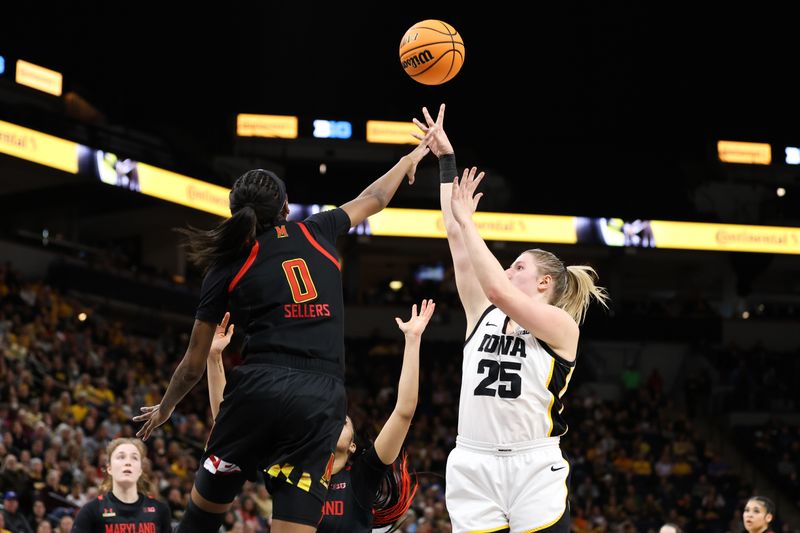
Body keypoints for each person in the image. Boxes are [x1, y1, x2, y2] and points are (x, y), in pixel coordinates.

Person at [133, 133, 435, 533]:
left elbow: (192, 364)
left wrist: (167, 407)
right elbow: (375, 197)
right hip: (320, 399)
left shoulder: (226, 264)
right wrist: (406, 162)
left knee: (200, 521)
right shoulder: (318, 230)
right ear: (286, 207)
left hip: (259, 386)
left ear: (236, 213)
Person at [413, 104, 609, 533]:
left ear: (544, 285)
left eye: (518, 266)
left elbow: (496, 286)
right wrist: (447, 161)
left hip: (533, 464)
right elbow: (455, 236)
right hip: (472, 460)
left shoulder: (561, 328)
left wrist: (470, 223)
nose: (506, 270)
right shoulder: (481, 313)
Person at [206, 300, 435, 533]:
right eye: (332, 418)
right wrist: (213, 356)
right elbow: (227, 425)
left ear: (353, 447)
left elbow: (404, 412)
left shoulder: (362, 476)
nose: (335, 422)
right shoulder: (287, 464)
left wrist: (413, 340)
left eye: (343, 421)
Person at [71, 438, 171, 533]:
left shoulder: (160, 510)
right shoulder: (91, 511)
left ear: (140, 470)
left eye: (134, 458)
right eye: (121, 457)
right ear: (109, 468)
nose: (128, 462)